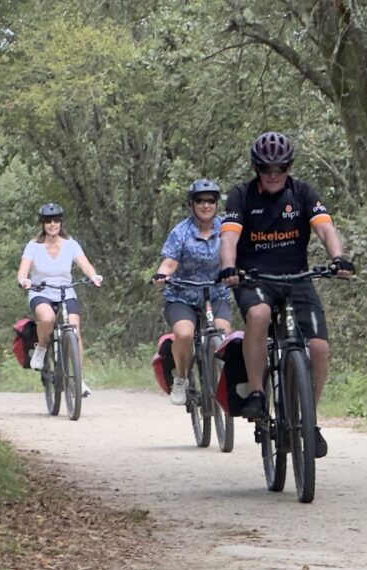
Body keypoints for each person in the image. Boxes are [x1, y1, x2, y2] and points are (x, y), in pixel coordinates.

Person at [217, 131, 355, 456]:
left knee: (318, 347)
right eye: (266, 169)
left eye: (280, 168)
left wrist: (338, 258)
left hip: (297, 278)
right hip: (255, 278)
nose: (273, 175)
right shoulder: (241, 195)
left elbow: (324, 228)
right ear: (256, 169)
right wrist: (229, 267)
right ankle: (256, 392)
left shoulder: (303, 192)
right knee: (259, 314)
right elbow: (229, 238)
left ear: (289, 167)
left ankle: (310, 421)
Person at [151, 179, 234, 406]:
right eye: (200, 201)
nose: (206, 205)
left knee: (224, 334)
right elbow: (169, 262)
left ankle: (222, 383)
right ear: (192, 204)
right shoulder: (181, 232)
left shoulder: (226, 229)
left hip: (216, 294)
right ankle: (181, 378)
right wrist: (161, 275)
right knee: (185, 334)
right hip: (182, 296)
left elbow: (237, 254)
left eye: (210, 201)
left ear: (216, 204)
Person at [15, 203, 104, 397]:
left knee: (74, 329)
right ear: (43, 224)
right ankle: (41, 347)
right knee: (47, 318)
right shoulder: (34, 246)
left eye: (56, 220)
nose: (52, 224)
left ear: (61, 222)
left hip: (65, 291)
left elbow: (85, 264)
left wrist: (93, 276)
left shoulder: (70, 244)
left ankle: (77, 379)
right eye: (48, 221)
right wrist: (24, 280)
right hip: (41, 291)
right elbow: (23, 270)